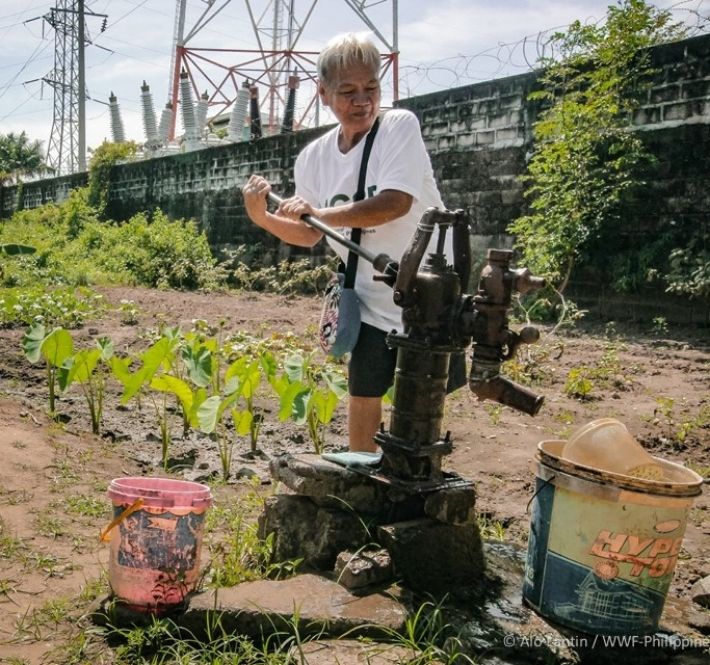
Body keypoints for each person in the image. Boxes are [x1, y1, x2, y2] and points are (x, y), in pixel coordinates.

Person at [242, 32, 448, 453]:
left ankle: (415, 480)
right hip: (372, 297)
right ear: (323, 93)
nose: (362, 102)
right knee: (364, 389)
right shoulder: (314, 157)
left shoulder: (398, 127)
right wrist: (262, 217)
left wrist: (318, 214)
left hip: (427, 291)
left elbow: (394, 203)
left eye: (371, 88)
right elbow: (309, 233)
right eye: (348, 92)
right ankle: (364, 482)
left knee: (422, 399)